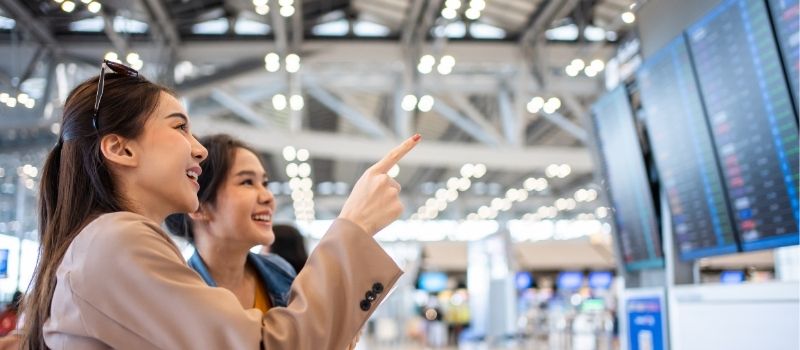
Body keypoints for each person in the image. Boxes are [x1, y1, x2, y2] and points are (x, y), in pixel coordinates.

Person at [22, 59, 420, 349]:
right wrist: (353, 227)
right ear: (120, 148)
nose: (198, 150)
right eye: (179, 127)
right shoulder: (116, 239)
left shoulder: (110, 241)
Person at [164, 135, 298, 312]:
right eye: (247, 182)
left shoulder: (280, 272)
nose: (268, 196)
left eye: (264, 183)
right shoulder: (176, 296)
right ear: (198, 208)